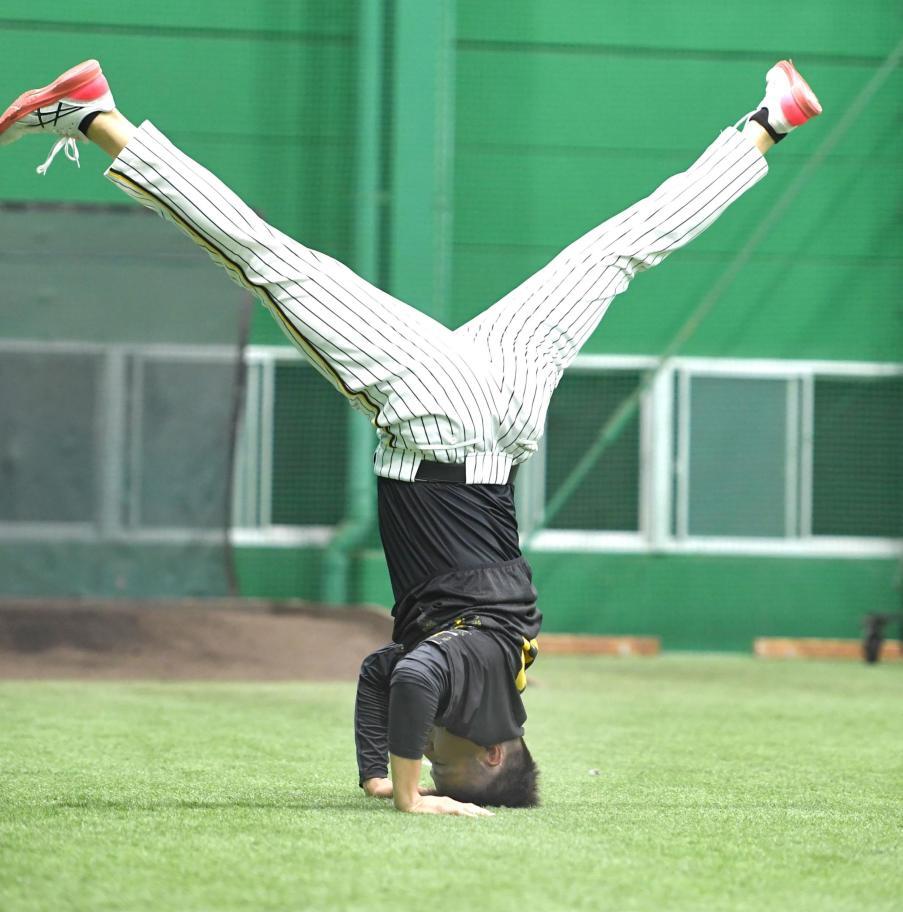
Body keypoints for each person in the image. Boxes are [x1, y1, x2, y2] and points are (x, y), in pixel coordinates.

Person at [0, 58, 821, 816]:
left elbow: (382, 675)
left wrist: (370, 769)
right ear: (495, 750)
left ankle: (764, 124)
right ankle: (96, 117)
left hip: (504, 415)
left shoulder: (504, 677)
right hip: (442, 418)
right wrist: (407, 798)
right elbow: (423, 676)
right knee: (272, 261)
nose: (432, 752)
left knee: (614, 252)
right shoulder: (472, 682)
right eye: (451, 762)